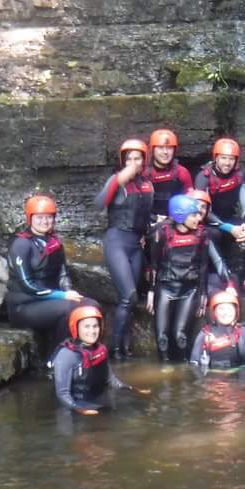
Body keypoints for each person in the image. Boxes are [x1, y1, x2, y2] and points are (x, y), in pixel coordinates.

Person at [145, 193, 233, 361]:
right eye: (193, 215)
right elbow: (154, 264)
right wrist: (151, 291)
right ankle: (165, 370)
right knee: (162, 338)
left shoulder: (202, 234)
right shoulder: (162, 232)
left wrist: (203, 294)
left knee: (180, 336)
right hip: (165, 288)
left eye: (198, 214)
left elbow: (204, 266)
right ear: (180, 216)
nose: (198, 218)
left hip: (189, 290)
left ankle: (184, 369)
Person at [95, 138, 155, 358]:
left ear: (144, 161)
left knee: (130, 299)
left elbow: (147, 218)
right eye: (129, 159)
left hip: (136, 244)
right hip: (117, 241)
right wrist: (119, 179)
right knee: (128, 296)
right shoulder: (116, 180)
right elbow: (99, 203)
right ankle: (113, 350)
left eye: (137, 159)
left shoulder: (148, 184)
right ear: (123, 161)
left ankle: (124, 347)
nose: (133, 163)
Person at [6, 194, 87, 339]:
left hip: (50, 301)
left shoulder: (55, 242)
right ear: (30, 218)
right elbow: (27, 285)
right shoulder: (21, 244)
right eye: (39, 217)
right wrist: (62, 296)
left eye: (49, 217)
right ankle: (61, 352)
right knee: (72, 308)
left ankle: (70, 349)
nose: (45, 221)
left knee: (91, 305)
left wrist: (68, 291)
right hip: (24, 305)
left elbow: (62, 273)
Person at [194, 138, 245, 295]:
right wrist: (229, 228)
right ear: (216, 158)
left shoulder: (241, 176)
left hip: (229, 218)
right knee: (212, 234)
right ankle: (221, 277)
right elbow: (203, 211)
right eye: (223, 158)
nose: (227, 163)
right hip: (209, 221)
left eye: (231, 159)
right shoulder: (204, 177)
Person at [52, 304, 133, 415]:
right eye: (87, 326)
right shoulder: (66, 355)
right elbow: (62, 394)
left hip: (97, 402)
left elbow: (110, 380)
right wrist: (81, 410)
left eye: (95, 326)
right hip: (74, 408)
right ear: (76, 328)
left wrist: (132, 389)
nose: (92, 331)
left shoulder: (101, 349)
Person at [189, 289, 245, 370]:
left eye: (230, 309)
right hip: (212, 376)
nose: (226, 313)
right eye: (221, 309)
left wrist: (233, 372)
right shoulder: (205, 333)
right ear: (214, 312)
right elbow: (194, 363)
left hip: (237, 375)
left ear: (236, 312)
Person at [146, 128, 193, 221]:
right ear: (152, 149)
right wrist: (154, 218)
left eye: (169, 148)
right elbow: (136, 206)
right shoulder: (144, 173)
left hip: (175, 221)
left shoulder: (182, 172)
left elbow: (190, 203)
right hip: (149, 221)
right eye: (160, 148)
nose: (165, 152)